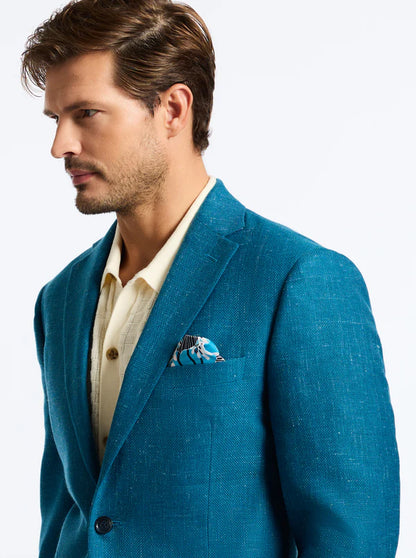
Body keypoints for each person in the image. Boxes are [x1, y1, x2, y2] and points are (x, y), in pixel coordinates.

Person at [22, 0, 400, 556]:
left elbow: (352, 538)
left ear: (173, 109)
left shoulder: (297, 279)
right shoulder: (60, 300)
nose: (61, 146)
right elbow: (64, 516)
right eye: (56, 119)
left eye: (86, 113)